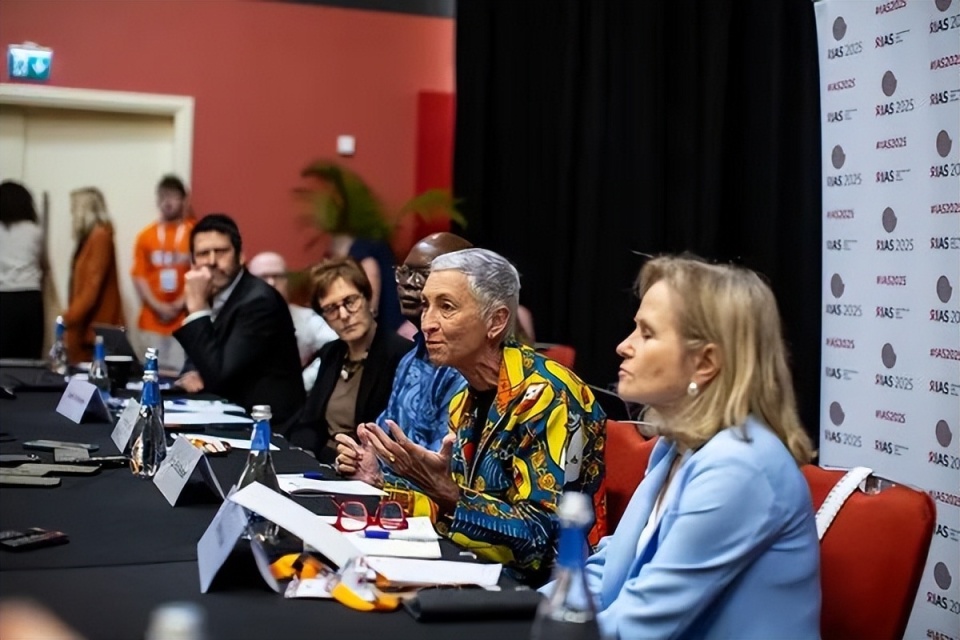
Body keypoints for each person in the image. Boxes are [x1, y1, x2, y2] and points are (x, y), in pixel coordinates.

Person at [543, 255, 820, 639]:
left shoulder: (740, 468)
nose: (623, 346)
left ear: (705, 362)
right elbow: (609, 572)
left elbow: (640, 624)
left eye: (647, 334)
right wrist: (511, 611)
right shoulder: (676, 447)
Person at [344, 248, 606, 585]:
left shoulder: (548, 396)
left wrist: (447, 492)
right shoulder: (464, 400)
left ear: (495, 321)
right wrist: (382, 482)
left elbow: (540, 542)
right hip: (471, 569)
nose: (427, 323)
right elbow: (455, 512)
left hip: (541, 592)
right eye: (426, 305)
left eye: (446, 307)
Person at [334, 232, 472, 478]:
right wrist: (361, 458)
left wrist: (382, 477)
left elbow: (442, 471)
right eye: (404, 272)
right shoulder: (409, 360)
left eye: (423, 274)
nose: (408, 283)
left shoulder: (466, 368)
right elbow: (383, 439)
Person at [173, 214, 304, 425]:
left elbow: (219, 376)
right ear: (193, 262)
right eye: (203, 253)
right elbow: (199, 359)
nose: (212, 261)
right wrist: (192, 372)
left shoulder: (258, 299)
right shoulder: (211, 292)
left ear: (241, 256)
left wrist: (196, 309)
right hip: (228, 414)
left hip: (268, 425)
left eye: (221, 251)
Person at [284, 257, 410, 462]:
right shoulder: (332, 353)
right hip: (323, 463)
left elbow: (390, 435)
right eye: (331, 309)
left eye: (350, 301)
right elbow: (309, 422)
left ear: (367, 298)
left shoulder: (399, 354)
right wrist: (304, 456)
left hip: (364, 468)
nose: (343, 315)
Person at [247, 251, 337, 391]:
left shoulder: (308, 319)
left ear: (287, 281)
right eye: (263, 277)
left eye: (278, 276)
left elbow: (338, 348)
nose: (271, 283)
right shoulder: (234, 318)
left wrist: (305, 380)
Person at [131, 175, 194, 372]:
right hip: (151, 321)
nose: (168, 201)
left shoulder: (194, 234)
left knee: (179, 378)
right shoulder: (146, 236)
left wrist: (180, 303)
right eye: (163, 196)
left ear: (183, 200)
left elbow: (199, 272)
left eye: (173, 196)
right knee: (149, 376)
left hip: (184, 322)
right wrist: (158, 306)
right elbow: (139, 276)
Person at [61, 188, 125, 364]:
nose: (72, 216)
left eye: (74, 209)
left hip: (93, 332)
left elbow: (91, 290)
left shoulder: (100, 237)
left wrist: (67, 318)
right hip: (87, 330)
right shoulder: (90, 239)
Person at [0, 181, 45, 359]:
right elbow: (43, 264)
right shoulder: (34, 231)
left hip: (3, 296)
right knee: (29, 356)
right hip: (29, 297)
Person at [328, 233, 404, 333]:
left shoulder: (360, 251)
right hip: (398, 318)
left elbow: (371, 279)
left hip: (391, 325)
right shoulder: (374, 244)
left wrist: (368, 315)